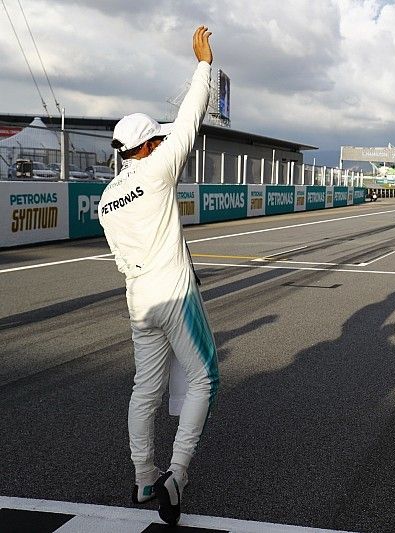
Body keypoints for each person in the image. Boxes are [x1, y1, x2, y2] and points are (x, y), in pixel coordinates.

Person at [98, 26, 219, 526]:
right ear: (147, 146)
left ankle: (143, 476)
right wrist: (203, 65)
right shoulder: (158, 169)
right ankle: (177, 474)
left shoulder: (107, 198)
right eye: (157, 140)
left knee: (144, 390)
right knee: (204, 376)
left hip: (138, 298)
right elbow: (191, 117)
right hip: (172, 292)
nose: (162, 143)